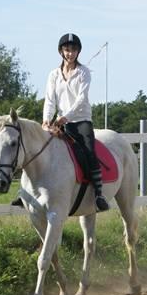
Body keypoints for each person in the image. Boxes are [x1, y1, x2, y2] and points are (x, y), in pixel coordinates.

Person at [42, 32, 109, 212]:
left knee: (89, 151)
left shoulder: (84, 73)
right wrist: (46, 119)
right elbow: (50, 100)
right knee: (40, 150)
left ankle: (98, 194)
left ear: (78, 52)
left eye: (73, 50)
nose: (70, 53)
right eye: (66, 50)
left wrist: (66, 117)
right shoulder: (53, 75)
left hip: (80, 121)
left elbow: (81, 99)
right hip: (60, 123)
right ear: (61, 52)